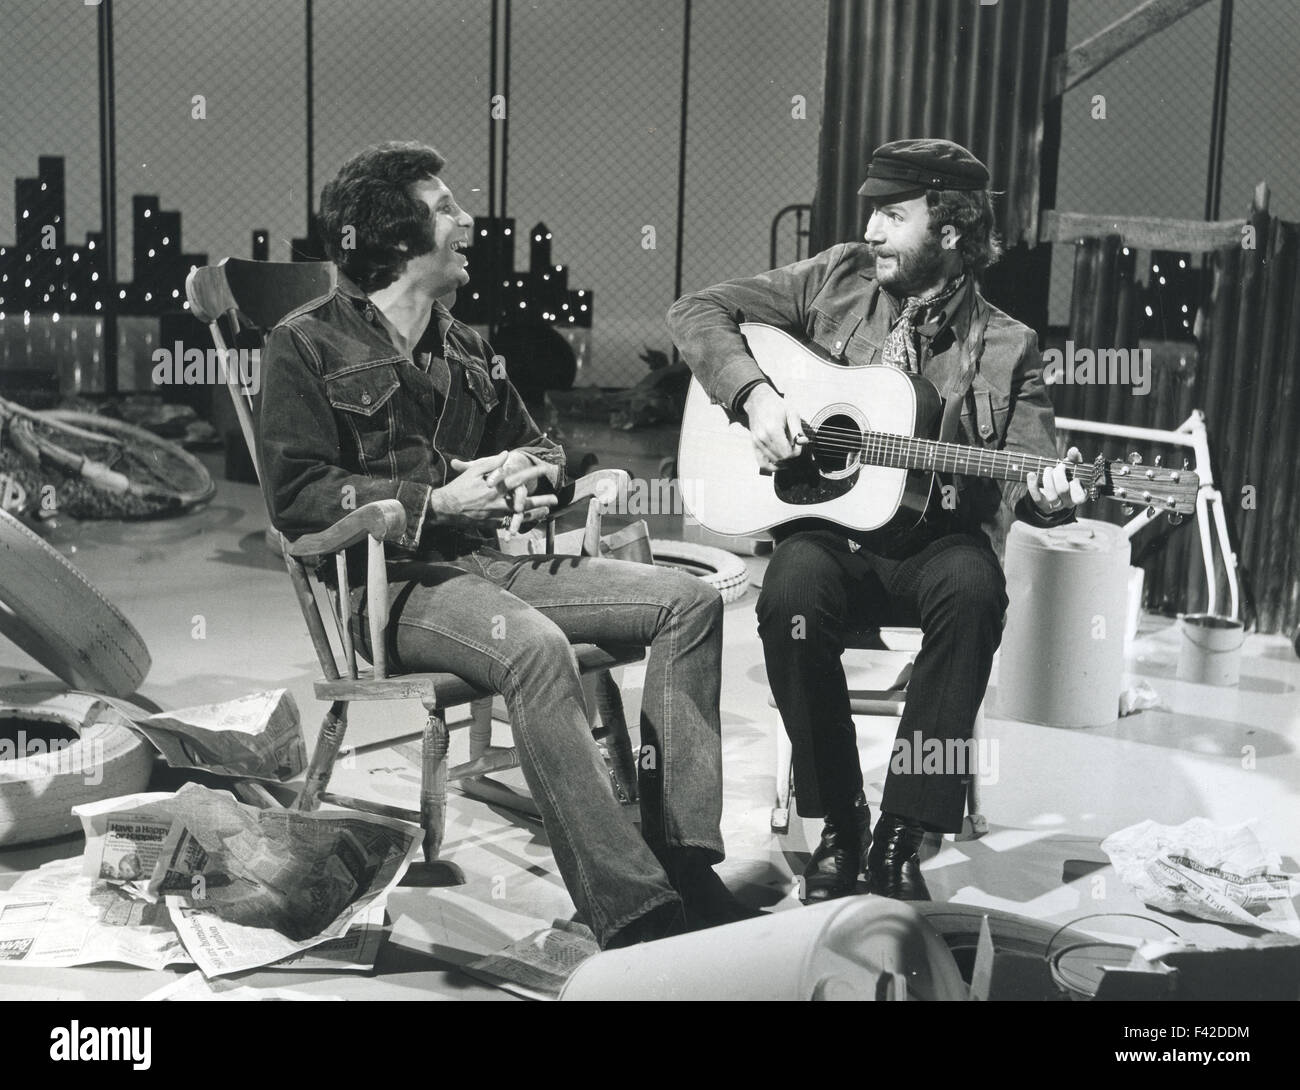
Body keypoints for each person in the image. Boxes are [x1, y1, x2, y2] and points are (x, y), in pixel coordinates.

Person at [259, 141, 755, 947]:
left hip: (495, 563)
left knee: (689, 603)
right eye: (446, 209)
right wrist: (430, 500)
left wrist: (529, 473)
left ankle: (683, 862)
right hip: (395, 587)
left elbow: (546, 450)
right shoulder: (306, 343)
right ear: (397, 234)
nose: (465, 222)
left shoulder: (466, 345)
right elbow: (297, 497)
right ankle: (632, 908)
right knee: (534, 647)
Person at [668, 138, 1085, 903]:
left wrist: (1051, 496)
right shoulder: (834, 279)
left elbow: (1033, 471)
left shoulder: (1008, 345)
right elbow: (697, 311)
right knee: (790, 594)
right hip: (832, 535)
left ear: (950, 231)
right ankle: (842, 823)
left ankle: (903, 830)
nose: (873, 230)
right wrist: (755, 396)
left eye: (893, 215)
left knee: (974, 593)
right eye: (871, 213)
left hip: (939, 542)